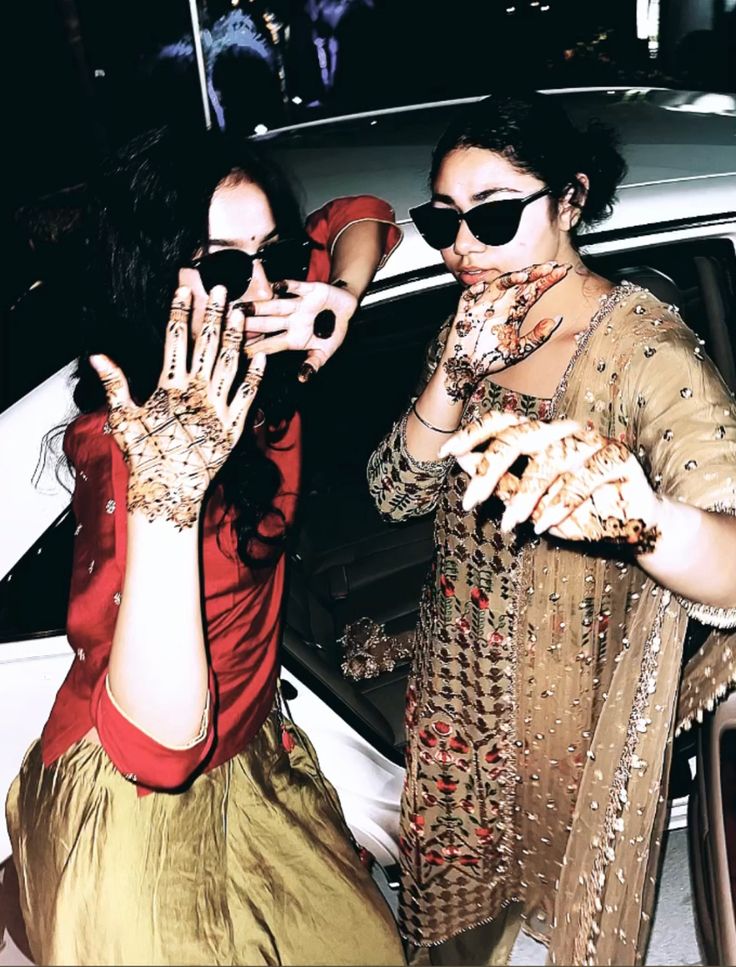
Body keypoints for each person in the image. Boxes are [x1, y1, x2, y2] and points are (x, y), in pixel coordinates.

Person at [5, 125, 404, 965]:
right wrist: (170, 501)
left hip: (251, 741)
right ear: (156, 278)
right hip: (142, 785)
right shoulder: (138, 452)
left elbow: (363, 213)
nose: (261, 286)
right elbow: (158, 748)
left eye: (275, 253)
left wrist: (340, 298)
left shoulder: (265, 342)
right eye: (223, 266)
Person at [364, 92, 736, 966]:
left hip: (566, 706)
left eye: (493, 216)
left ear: (570, 200)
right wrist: (453, 374)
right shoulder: (477, 321)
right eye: (442, 220)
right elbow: (394, 492)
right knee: (457, 919)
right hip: (454, 679)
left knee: (551, 923)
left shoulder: (648, 355)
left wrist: (645, 521)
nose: (462, 246)